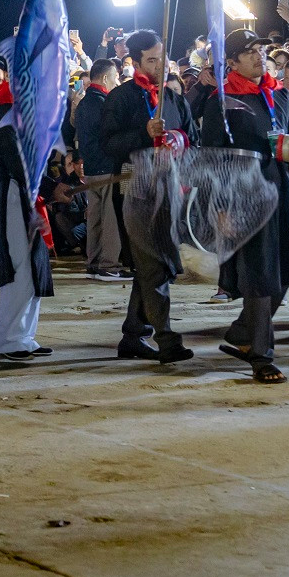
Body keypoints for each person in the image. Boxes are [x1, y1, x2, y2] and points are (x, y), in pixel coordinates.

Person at [203, 29, 289, 383]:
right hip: (244, 198)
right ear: (231, 62)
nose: (258, 55)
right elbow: (212, 160)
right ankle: (262, 356)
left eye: (261, 49)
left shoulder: (280, 96)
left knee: (287, 274)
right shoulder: (222, 101)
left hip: (281, 192)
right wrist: (220, 207)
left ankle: (242, 333)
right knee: (260, 276)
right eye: (249, 51)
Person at [97, 29, 193, 363]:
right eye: (151, 59)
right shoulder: (121, 98)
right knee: (152, 263)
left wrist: (178, 139)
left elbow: (191, 134)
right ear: (135, 61)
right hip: (133, 185)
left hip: (171, 185)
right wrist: (143, 133)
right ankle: (166, 339)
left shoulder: (174, 96)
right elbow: (106, 143)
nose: (160, 64)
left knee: (156, 266)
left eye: (162, 57)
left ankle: (133, 335)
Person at [0, 81, 54, 360]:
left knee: (33, 267)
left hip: (27, 194)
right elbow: (19, 163)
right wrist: (51, 187)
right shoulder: (6, 115)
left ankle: (24, 336)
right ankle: (8, 339)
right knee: (19, 267)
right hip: (13, 194)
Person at [70, 58, 128, 281]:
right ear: (105, 78)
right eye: (115, 78)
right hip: (107, 166)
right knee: (110, 217)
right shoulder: (104, 103)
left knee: (94, 218)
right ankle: (109, 265)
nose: (117, 82)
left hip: (91, 167)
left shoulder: (84, 102)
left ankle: (93, 262)